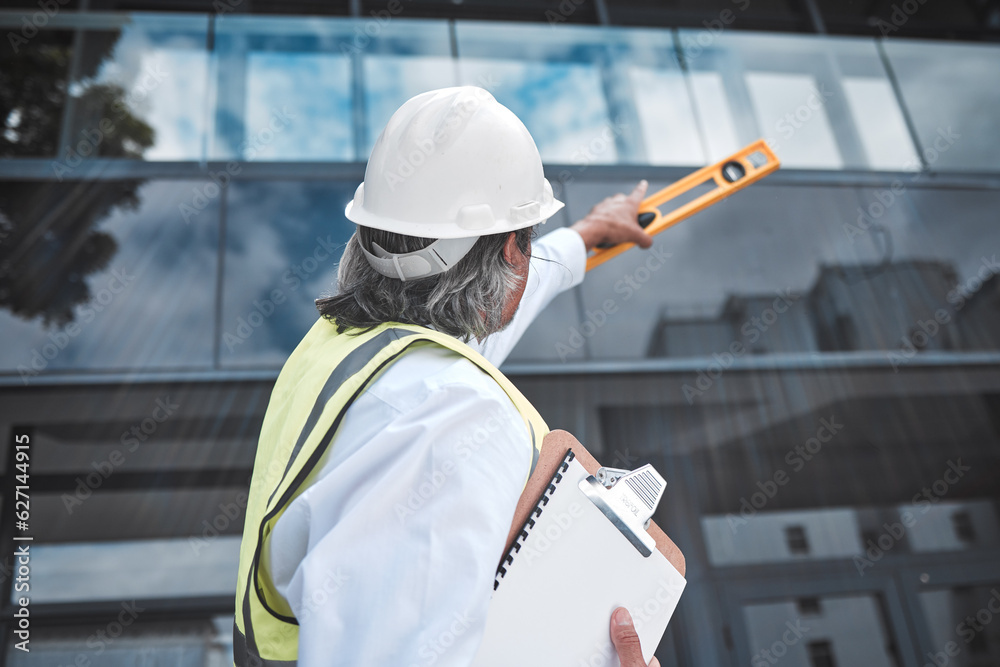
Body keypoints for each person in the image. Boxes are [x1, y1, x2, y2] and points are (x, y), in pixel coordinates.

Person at [233, 86, 660, 667]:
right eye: (526, 244)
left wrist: (583, 237)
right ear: (511, 251)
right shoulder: (450, 418)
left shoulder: (354, 348)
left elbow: (489, 308)